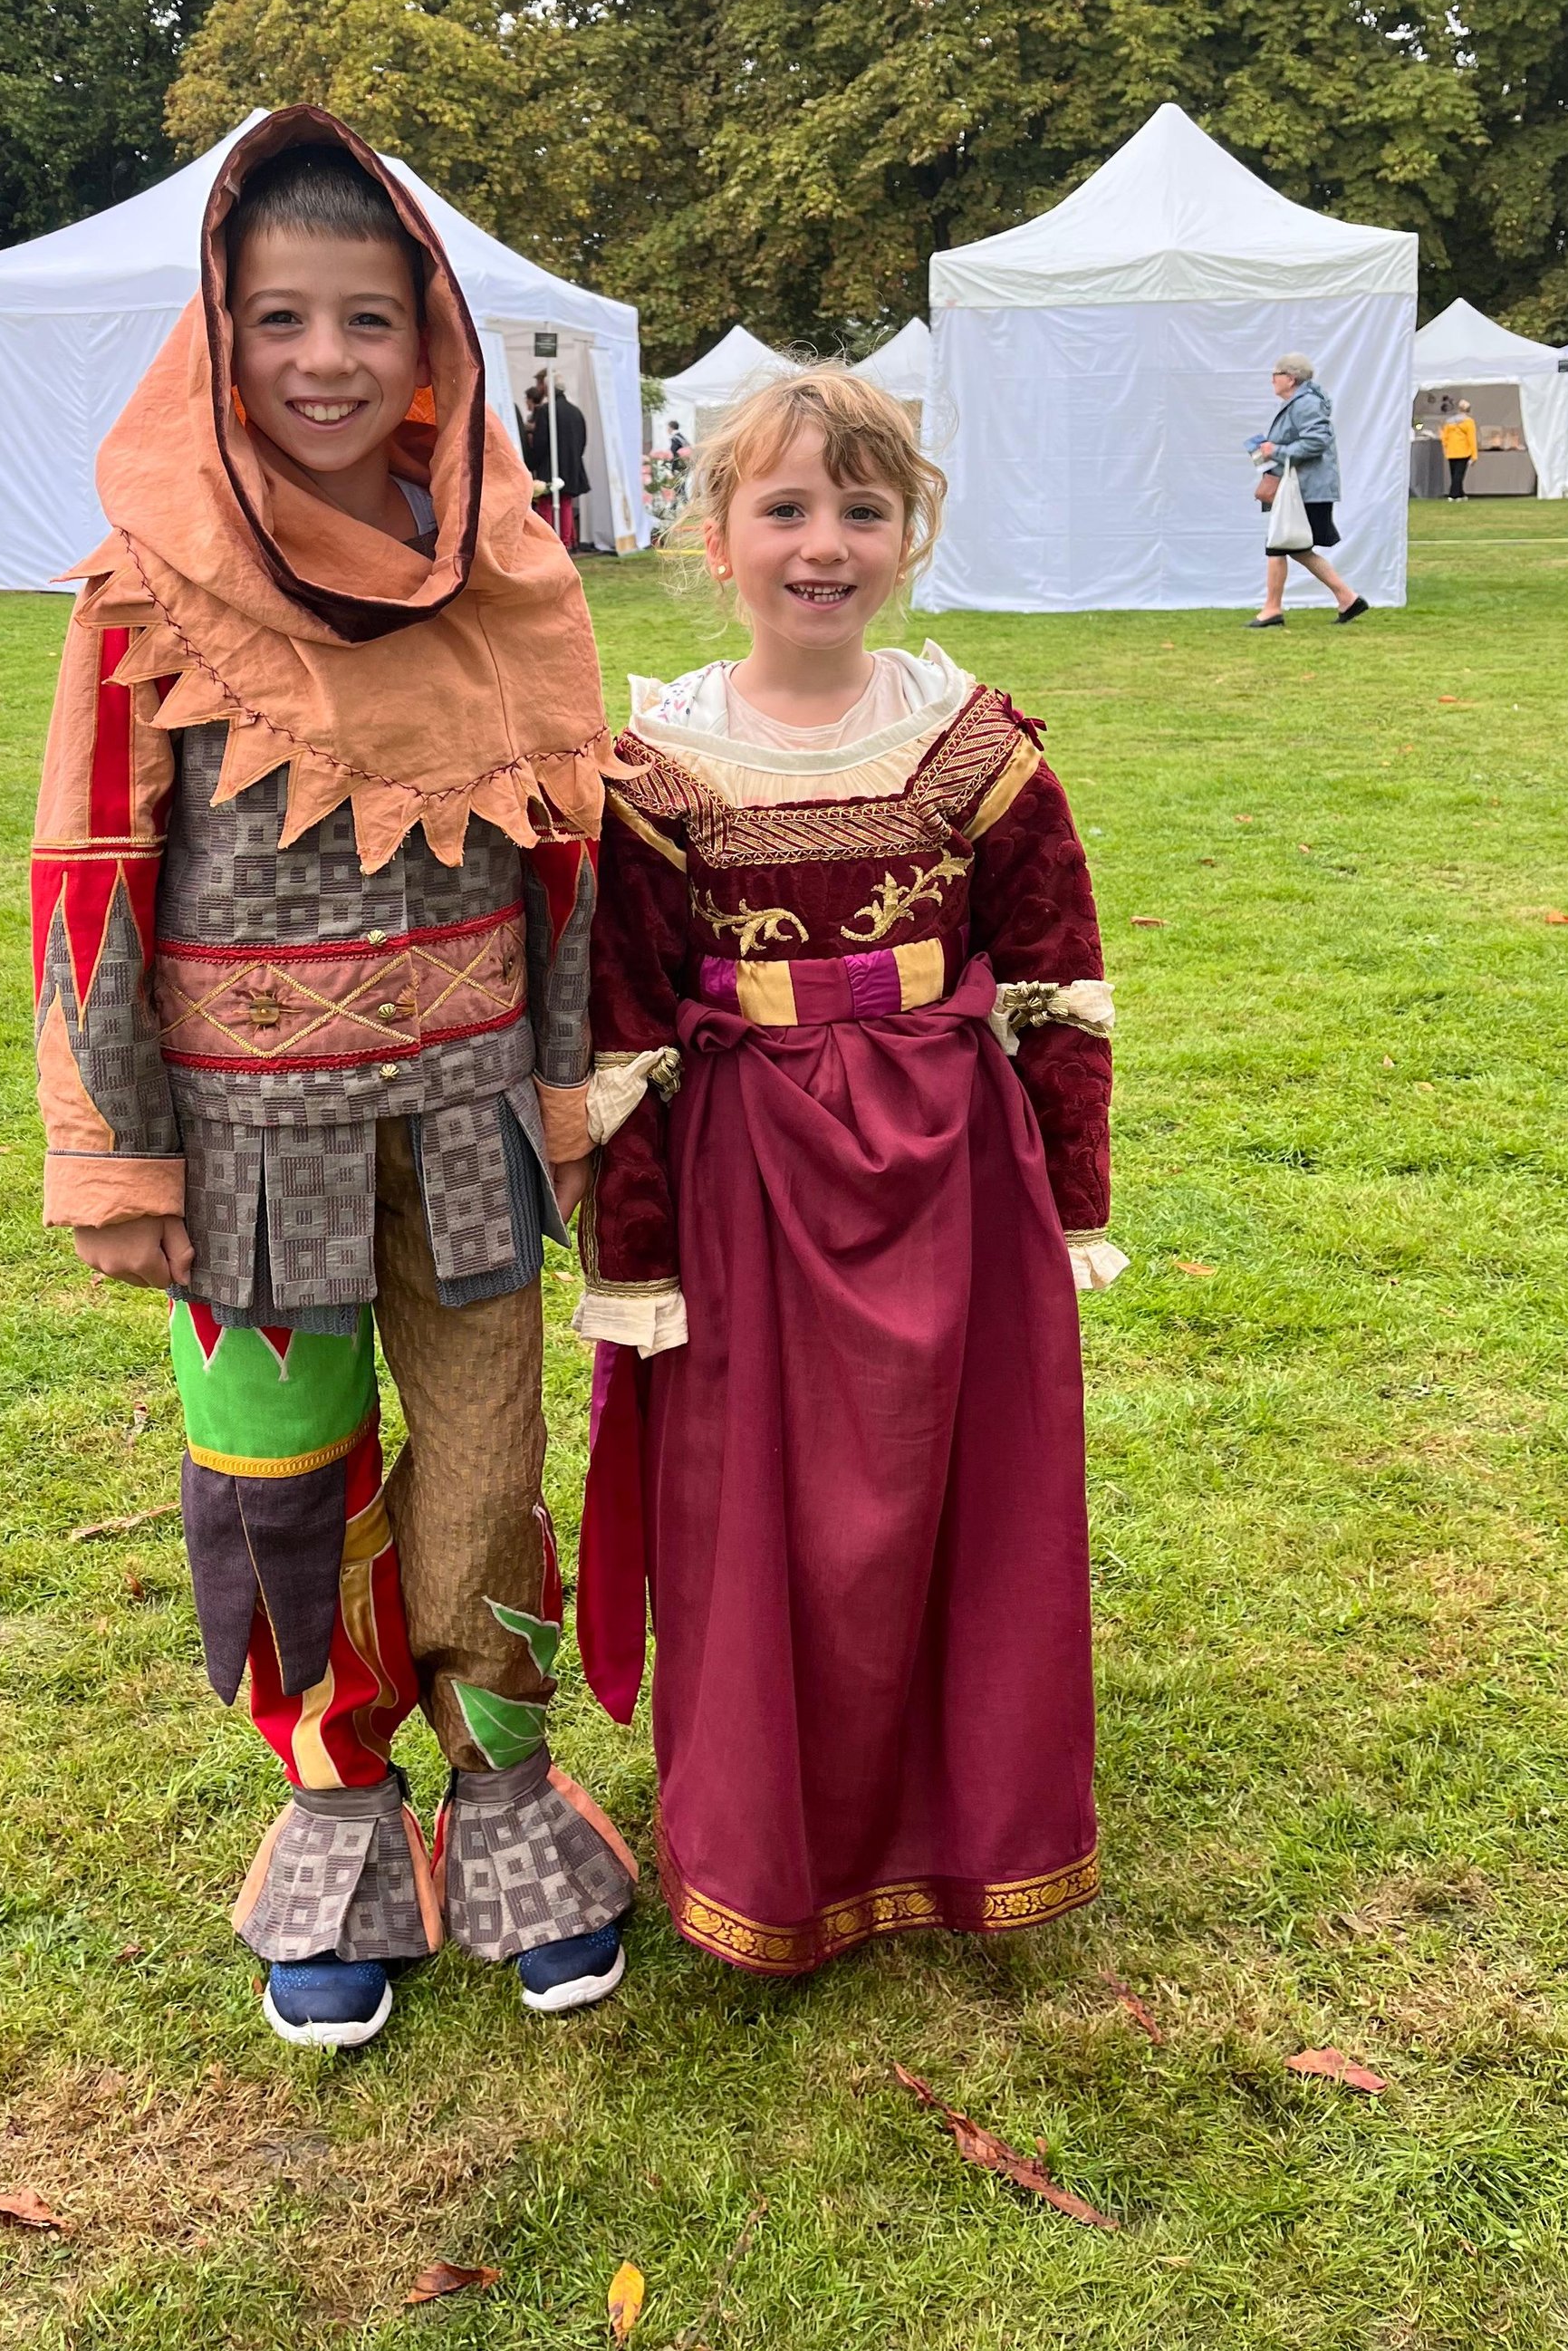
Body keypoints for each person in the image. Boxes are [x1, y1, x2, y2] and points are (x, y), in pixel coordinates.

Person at [30, 108, 636, 2049]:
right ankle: (336, 1812)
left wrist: (567, 1095)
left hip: (467, 1124)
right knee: (281, 1483)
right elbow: (91, 873)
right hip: (244, 1152)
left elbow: (565, 859)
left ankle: (508, 1794)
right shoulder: (142, 589)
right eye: (277, 315)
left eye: (365, 318)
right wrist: (119, 1153)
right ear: (218, 329)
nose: (321, 359)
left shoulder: (509, 571)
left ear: (430, 338)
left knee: (481, 1472)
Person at [572, 366, 1121, 1976]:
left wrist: (1072, 1198)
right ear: (719, 534)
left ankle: (967, 1836)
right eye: (787, 507)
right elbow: (619, 1027)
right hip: (751, 1181)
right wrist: (639, 1262)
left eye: (862, 510)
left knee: (958, 1505)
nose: (825, 543)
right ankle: (773, 1854)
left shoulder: (976, 750)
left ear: (910, 532)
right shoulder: (655, 768)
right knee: (768, 1516)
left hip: (956, 1176)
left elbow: (1055, 979)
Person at [1247, 353, 1369, 625]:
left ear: (1290, 378)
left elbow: (1317, 441)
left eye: (1275, 374)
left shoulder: (1305, 404)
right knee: (1292, 547)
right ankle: (1347, 598)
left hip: (1308, 489)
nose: (1272, 380)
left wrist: (1276, 449)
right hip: (1305, 488)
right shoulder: (1301, 403)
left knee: (1279, 545)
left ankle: (1272, 609)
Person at [521, 369, 592, 549]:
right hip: (571, 465)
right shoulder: (576, 412)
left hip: (550, 465)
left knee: (546, 503)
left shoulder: (547, 411)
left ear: (546, 388)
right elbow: (582, 440)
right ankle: (565, 542)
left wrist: (532, 461)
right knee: (565, 503)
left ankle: (547, 544)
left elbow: (541, 441)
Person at [1438, 397, 1479, 500]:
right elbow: (1471, 438)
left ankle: (1460, 493)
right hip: (1463, 451)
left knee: (1454, 473)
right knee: (1459, 474)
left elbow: (1444, 437)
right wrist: (1474, 455)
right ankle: (1453, 494)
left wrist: (1445, 448)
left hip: (1451, 451)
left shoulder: (1449, 422)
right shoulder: (1469, 422)